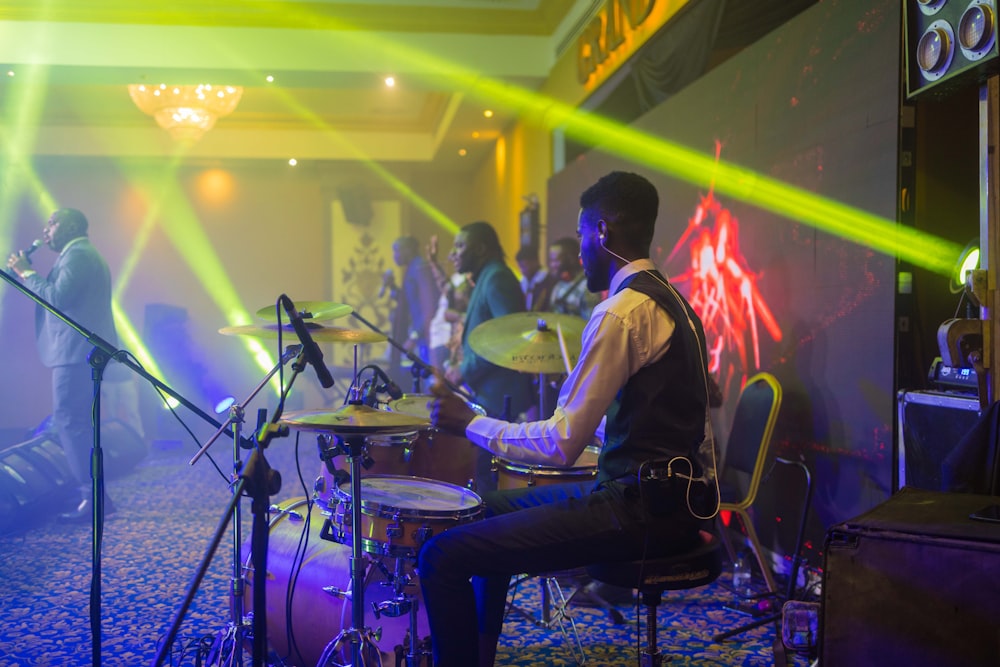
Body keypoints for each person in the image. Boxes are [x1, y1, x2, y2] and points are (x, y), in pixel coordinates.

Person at [420, 172, 715, 666]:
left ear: (601, 232)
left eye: (580, 235)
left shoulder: (622, 311)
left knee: (439, 556)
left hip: (637, 512)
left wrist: (470, 423)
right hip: (673, 503)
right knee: (482, 508)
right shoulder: (674, 301)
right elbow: (636, 422)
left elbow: (561, 443)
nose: (578, 251)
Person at [6, 208, 121, 522]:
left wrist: (28, 273)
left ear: (70, 226)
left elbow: (57, 298)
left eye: (52, 224)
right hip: (78, 353)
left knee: (71, 422)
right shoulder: (80, 254)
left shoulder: (79, 255)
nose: (45, 232)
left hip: (75, 354)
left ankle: (93, 497)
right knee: (77, 423)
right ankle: (93, 494)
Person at [444, 221, 535, 492]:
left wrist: (464, 369)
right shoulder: (486, 276)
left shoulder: (497, 277)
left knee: (487, 477)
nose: (454, 253)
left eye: (460, 245)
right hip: (489, 393)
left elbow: (508, 338)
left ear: (481, 248)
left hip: (500, 397)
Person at [383, 235, 440, 391]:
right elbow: (410, 300)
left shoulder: (420, 267)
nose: (395, 256)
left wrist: (414, 336)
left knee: (426, 382)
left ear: (408, 249)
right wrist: (393, 287)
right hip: (420, 338)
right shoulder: (412, 268)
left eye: (397, 251)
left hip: (425, 339)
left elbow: (429, 307)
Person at [545, 236, 603, 319]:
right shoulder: (559, 285)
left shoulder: (588, 287)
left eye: (555, 260)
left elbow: (589, 324)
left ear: (571, 259)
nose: (552, 265)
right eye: (551, 260)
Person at [515, 245, 548, 311]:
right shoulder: (523, 282)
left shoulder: (547, 282)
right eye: (520, 267)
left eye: (524, 266)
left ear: (535, 262)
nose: (522, 271)